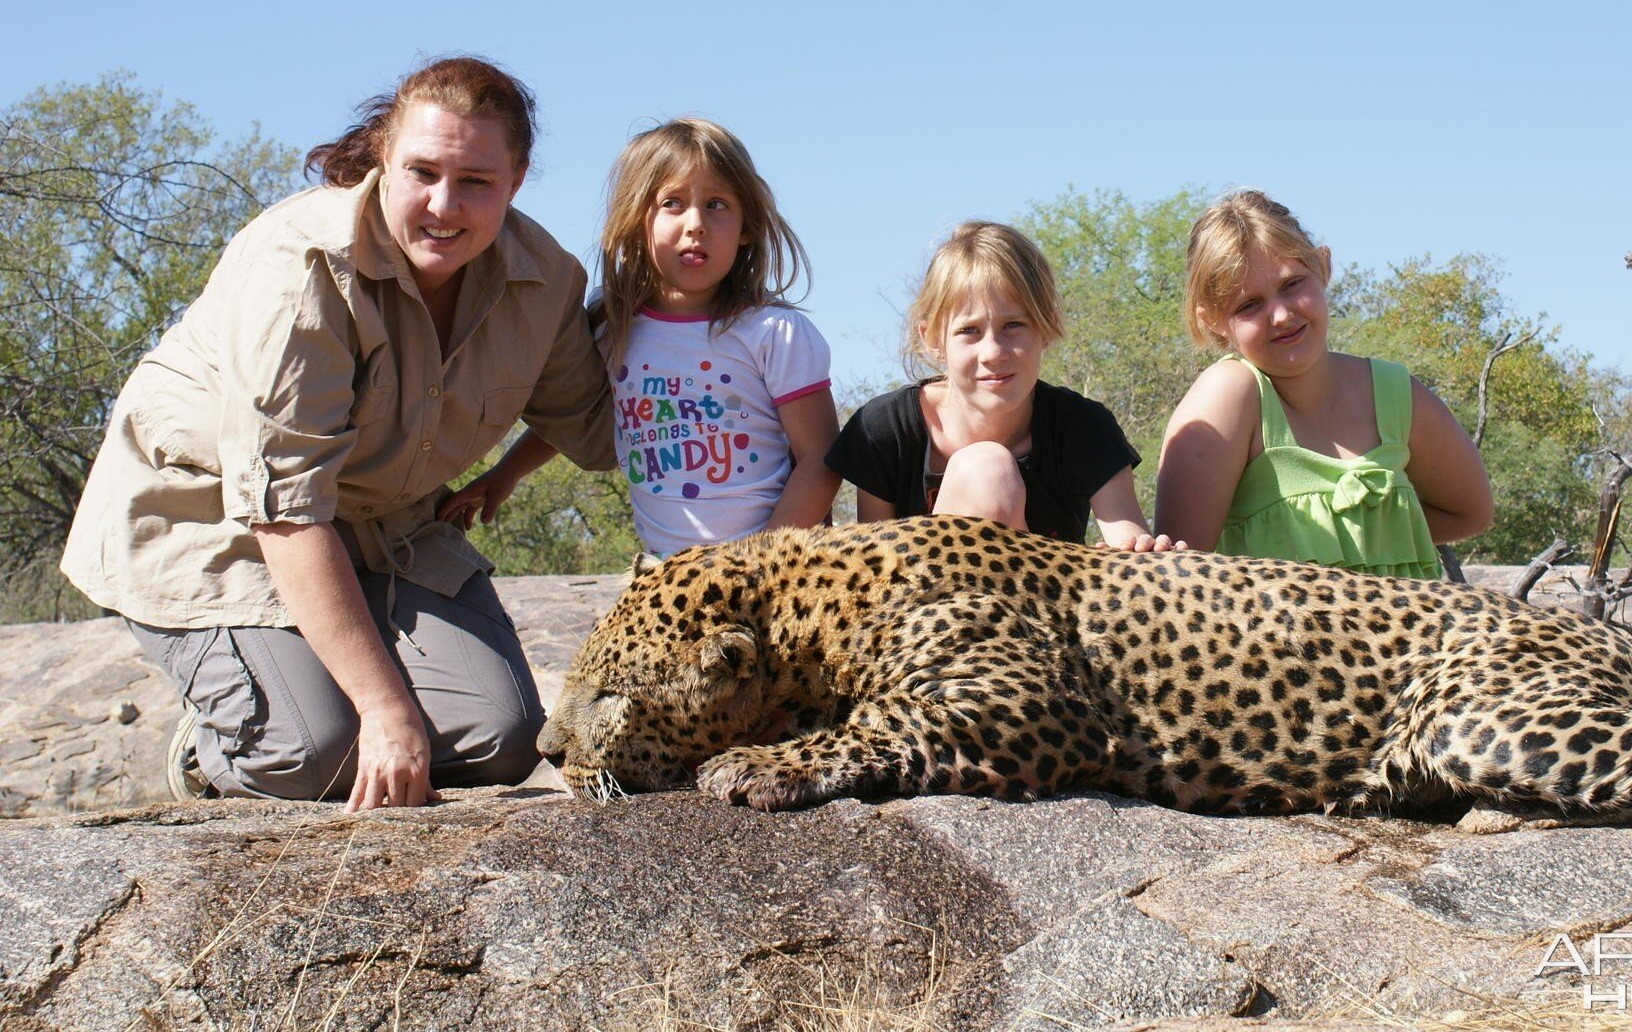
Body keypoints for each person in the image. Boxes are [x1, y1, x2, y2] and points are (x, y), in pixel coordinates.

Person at [60, 57, 614, 811]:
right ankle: (212, 748)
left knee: (503, 740)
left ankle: (320, 696)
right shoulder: (303, 263)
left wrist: (693, 322)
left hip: (384, 525)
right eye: (421, 171)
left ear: (516, 181)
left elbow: (600, 430)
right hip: (219, 517)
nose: (442, 205)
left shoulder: (546, 281)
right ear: (384, 160)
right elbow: (285, 508)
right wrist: (385, 712)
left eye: (475, 182)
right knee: (310, 755)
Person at [446, 119, 838, 559]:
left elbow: (821, 457)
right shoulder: (611, 323)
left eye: (717, 204)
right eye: (671, 202)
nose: (696, 224)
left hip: (773, 571)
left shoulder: (773, 332)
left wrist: (759, 566)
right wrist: (506, 472)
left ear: (746, 226)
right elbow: (577, 415)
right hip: (662, 575)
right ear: (636, 220)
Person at [1154, 190, 1492, 575]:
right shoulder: (1227, 393)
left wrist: (1374, 538)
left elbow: (1471, 512)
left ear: (1323, 266)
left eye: (1292, 284)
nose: (1280, 315)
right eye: (1249, 305)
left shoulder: (1394, 392)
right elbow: (1177, 575)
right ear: (1211, 320)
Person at [828, 221, 1169, 549]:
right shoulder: (884, 430)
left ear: (1046, 327)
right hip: (930, 603)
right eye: (969, 331)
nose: (993, 352)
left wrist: (1146, 553)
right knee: (985, 471)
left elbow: (1125, 536)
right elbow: (876, 563)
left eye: (1013, 325)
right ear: (931, 338)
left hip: (1045, 603)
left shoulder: (1083, 426)